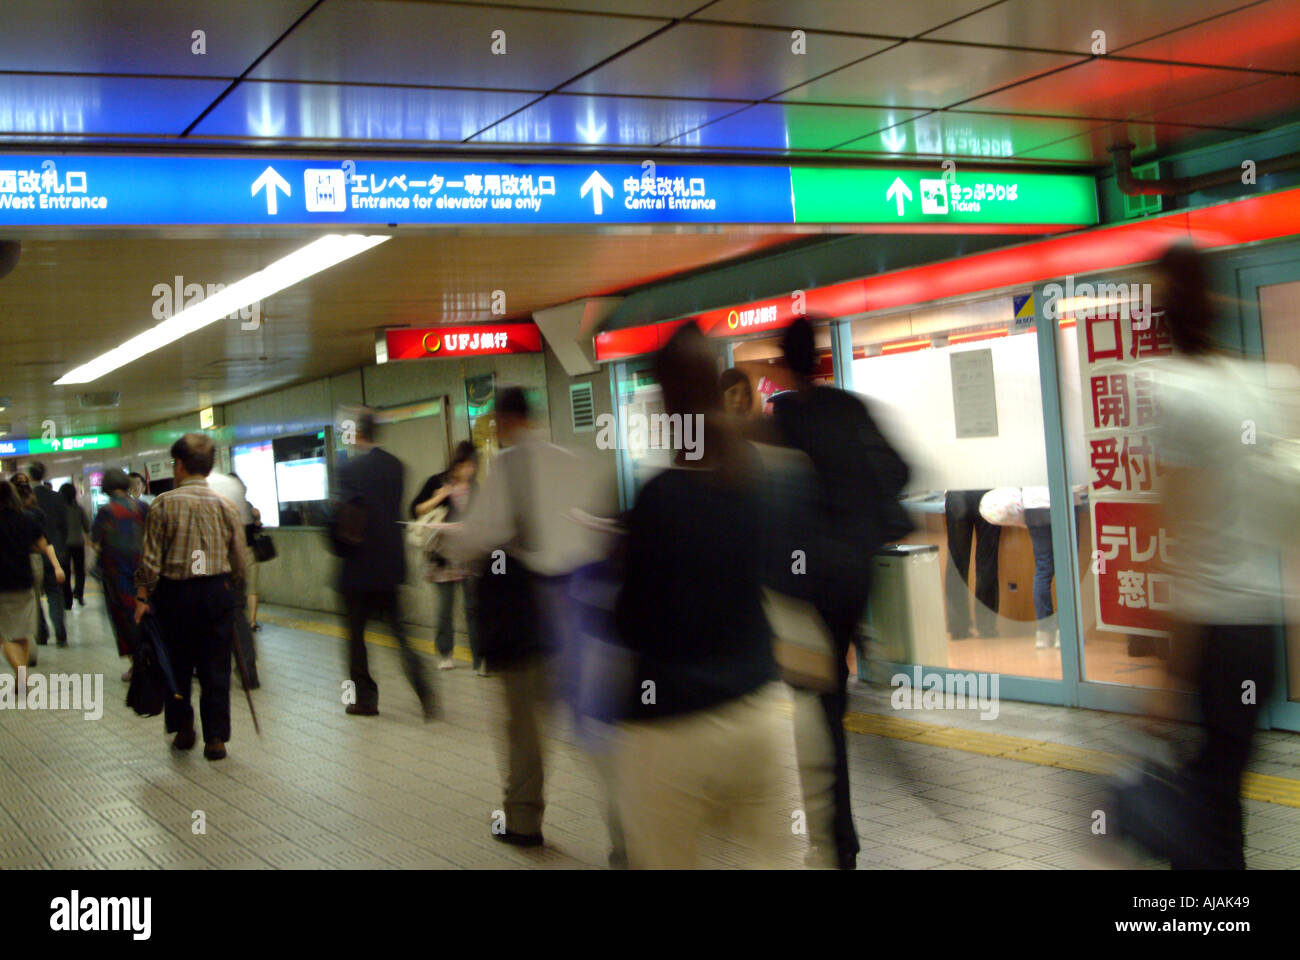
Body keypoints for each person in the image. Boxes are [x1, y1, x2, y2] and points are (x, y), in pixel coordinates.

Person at [1142, 241, 1300, 868]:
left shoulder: (1173, 392)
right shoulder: (1262, 386)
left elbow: (1183, 545)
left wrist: (1164, 673)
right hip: (1258, 633)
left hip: (1210, 634)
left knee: (1203, 810)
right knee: (1219, 792)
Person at [613, 323, 787, 869]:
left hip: (671, 726)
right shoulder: (754, 479)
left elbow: (634, 621)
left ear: (665, 407)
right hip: (758, 712)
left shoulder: (660, 497)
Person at [439, 387, 610, 850]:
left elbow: (479, 536)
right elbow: (602, 532)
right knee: (594, 728)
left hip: (529, 613)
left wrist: (443, 540)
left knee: (523, 726)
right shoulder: (576, 462)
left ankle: (523, 821)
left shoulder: (509, 467)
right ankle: (628, 834)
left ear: (506, 419)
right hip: (583, 613)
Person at [769, 316, 909, 871]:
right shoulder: (852, 409)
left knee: (819, 705)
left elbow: (774, 497)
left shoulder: (784, 420)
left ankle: (837, 844)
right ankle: (849, 677)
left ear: (785, 362)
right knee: (832, 690)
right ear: (821, 360)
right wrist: (862, 525)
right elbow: (899, 468)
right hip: (855, 574)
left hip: (808, 583)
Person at [133, 434, 248, 761]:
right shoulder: (225, 506)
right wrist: (233, 589)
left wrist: (142, 597)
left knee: (177, 666)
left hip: (175, 595)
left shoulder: (163, 504)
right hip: (216, 592)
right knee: (216, 667)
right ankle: (216, 739)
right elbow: (238, 556)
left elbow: (151, 559)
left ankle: (184, 728)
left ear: (180, 465)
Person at [331, 408, 435, 720]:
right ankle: (424, 690)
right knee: (399, 635)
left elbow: (342, 517)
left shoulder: (348, 469)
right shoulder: (396, 467)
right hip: (390, 566)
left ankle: (365, 699)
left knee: (355, 638)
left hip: (357, 569)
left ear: (356, 433)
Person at [411, 441, 481, 673]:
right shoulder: (437, 482)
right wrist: (439, 497)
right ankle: (444, 653)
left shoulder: (476, 488)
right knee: (445, 607)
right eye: (463, 465)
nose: (467, 471)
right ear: (456, 463)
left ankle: (480, 657)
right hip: (442, 556)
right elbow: (416, 509)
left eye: (472, 466)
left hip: (468, 556)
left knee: (473, 607)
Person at [0, 478, 64, 678]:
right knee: (22, 633)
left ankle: (21, 675)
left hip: (1, 585)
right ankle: (23, 672)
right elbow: (43, 544)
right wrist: (56, 566)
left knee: (4, 636)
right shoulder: (27, 518)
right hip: (25, 581)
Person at [91, 468, 148, 682]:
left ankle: (138, 664)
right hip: (144, 571)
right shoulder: (142, 507)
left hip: (117, 575)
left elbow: (95, 540)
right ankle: (152, 658)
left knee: (125, 619)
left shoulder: (106, 511)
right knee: (146, 615)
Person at [207, 469, 260, 690]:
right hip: (234, 562)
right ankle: (249, 671)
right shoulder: (233, 486)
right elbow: (243, 534)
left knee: (207, 619)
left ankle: (210, 671)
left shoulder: (195, 490)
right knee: (237, 617)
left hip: (210, 566)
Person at [25, 462, 68, 646]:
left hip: (32, 555)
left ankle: (41, 634)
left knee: (34, 596)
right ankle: (60, 631)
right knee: (54, 593)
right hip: (54, 552)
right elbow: (63, 526)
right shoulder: (57, 497)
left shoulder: (24, 500)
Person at [59, 483, 90, 609]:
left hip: (63, 545)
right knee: (79, 570)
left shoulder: (59, 510)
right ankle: (79, 594)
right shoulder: (79, 509)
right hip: (78, 543)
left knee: (65, 572)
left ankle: (68, 601)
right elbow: (87, 527)